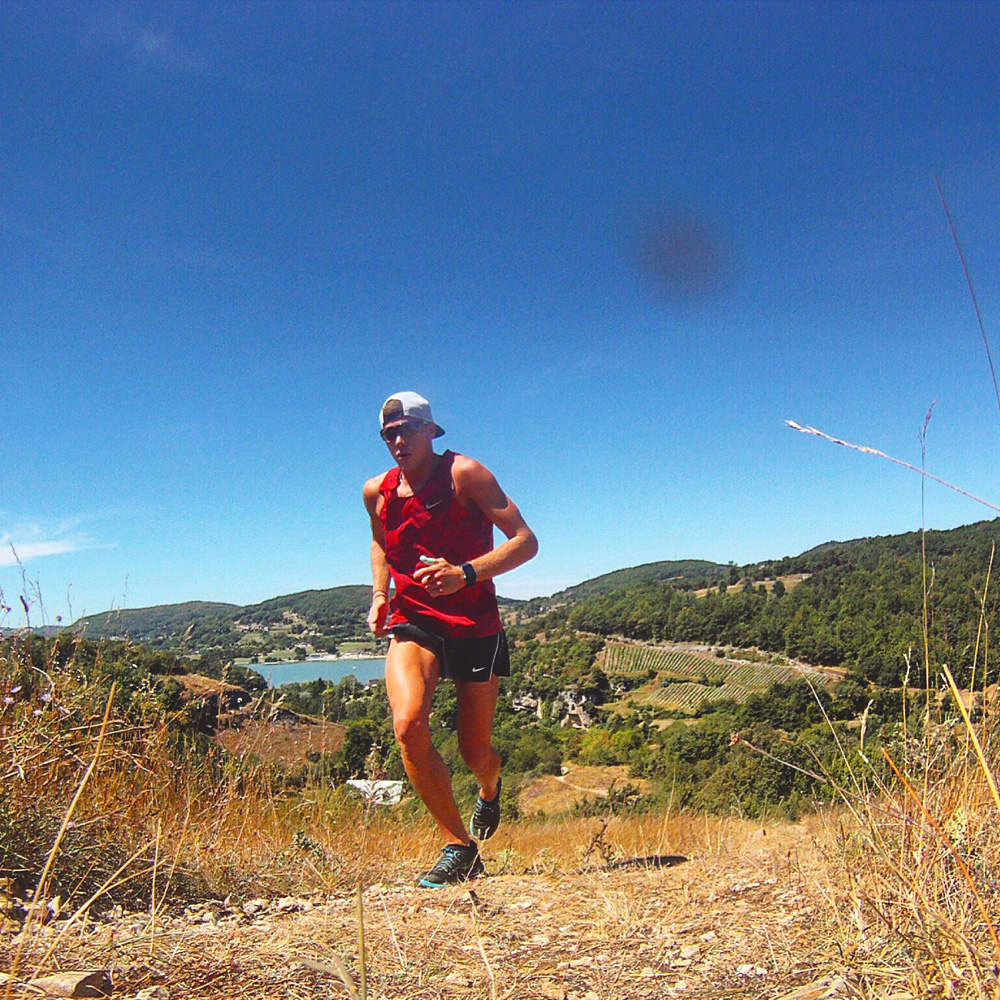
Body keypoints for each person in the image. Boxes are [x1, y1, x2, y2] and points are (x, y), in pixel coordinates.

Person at [363, 391, 538, 887]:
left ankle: (490, 786)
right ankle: (460, 847)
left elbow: (526, 541)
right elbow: (380, 541)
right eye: (388, 434)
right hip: (413, 619)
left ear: (429, 431)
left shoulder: (465, 474)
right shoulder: (376, 491)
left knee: (474, 752)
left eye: (406, 430)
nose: (397, 441)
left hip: (474, 624)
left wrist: (466, 574)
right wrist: (380, 594)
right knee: (408, 725)